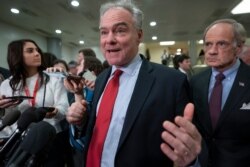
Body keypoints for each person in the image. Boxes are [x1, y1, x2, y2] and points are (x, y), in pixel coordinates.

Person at [66, 1, 201, 167]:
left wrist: (190, 160)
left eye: (120, 30)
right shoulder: (101, 79)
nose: (109, 40)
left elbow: (188, 145)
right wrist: (81, 121)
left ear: (139, 35)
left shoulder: (171, 81)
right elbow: (100, 130)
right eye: (104, 32)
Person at [190, 19, 250, 167]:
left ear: (238, 48)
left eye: (221, 44)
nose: (212, 51)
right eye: (208, 44)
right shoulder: (195, 81)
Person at [0, 39, 69, 166]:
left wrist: (55, 112)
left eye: (37, 50)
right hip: (18, 143)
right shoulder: (7, 84)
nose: (37, 53)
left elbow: (65, 108)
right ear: (17, 55)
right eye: (30, 51)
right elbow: (6, 120)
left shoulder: (53, 79)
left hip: (49, 140)